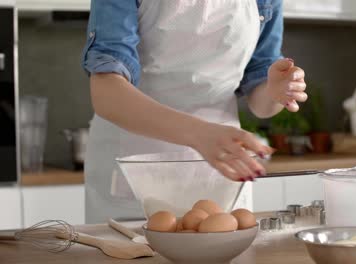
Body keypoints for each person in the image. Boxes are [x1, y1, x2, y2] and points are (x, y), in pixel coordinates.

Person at [82, 0, 308, 223]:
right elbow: (106, 94)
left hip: (222, 167)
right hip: (134, 168)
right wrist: (200, 135)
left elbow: (261, 105)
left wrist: (276, 90)